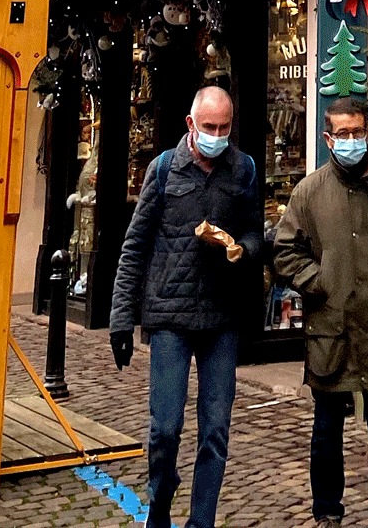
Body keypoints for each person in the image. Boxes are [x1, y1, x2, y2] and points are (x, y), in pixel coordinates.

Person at [109, 83, 263, 528]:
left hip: (222, 317)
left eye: (225, 127)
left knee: (215, 430)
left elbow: (256, 232)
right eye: (209, 126)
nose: (217, 135)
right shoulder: (163, 170)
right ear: (191, 125)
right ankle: (159, 501)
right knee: (165, 429)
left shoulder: (244, 171)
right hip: (170, 316)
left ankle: (202, 522)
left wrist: (242, 249)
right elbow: (134, 246)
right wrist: (122, 319)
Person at [272, 98, 368, 528]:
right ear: (328, 138)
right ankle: (327, 510)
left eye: (358, 132)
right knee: (326, 432)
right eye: (343, 134)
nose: (352, 141)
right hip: (331, 333)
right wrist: (319, 281)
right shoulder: (309, 192)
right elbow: (285, 252)